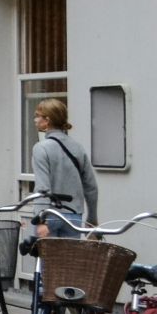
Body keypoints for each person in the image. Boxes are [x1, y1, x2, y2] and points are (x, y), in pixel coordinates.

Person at [31, 98, 100, 240]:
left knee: (48, 261)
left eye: (37, 116)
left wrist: (40, 219)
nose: (35, 120)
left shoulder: (41, 148)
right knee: (68, 260)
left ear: (47, 120)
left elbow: (42, 188)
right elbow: (91, 186)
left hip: (49, 216)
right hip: (74, 216)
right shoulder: (77, 147)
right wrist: (92, 218)